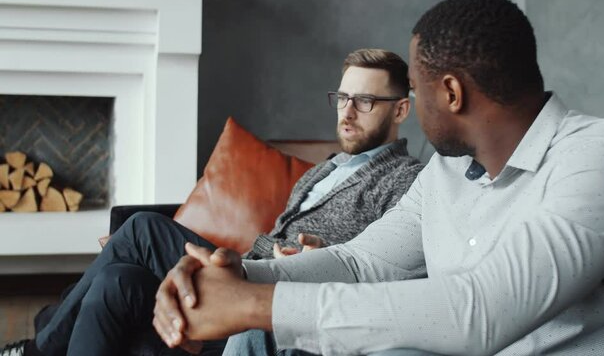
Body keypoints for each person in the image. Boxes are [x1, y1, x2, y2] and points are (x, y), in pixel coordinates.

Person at [152, 0, 604, 355]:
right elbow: (362, 264)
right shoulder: (446, 172)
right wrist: (242, 275)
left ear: (450, 93)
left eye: (413, 90)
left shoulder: (601, 158)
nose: (410, 107)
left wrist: (255, 305)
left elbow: (479, 312)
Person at [0, 48, 424, 356]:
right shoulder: (325, 168)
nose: (347, 112)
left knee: (141, 229)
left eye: (365, 101)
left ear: (401, 109)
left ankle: (37, 348)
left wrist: (320, 258)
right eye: (343, 98)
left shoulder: (406, 181)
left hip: (271, 304)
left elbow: (387, 270)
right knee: (117, 279)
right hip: (240, 267)